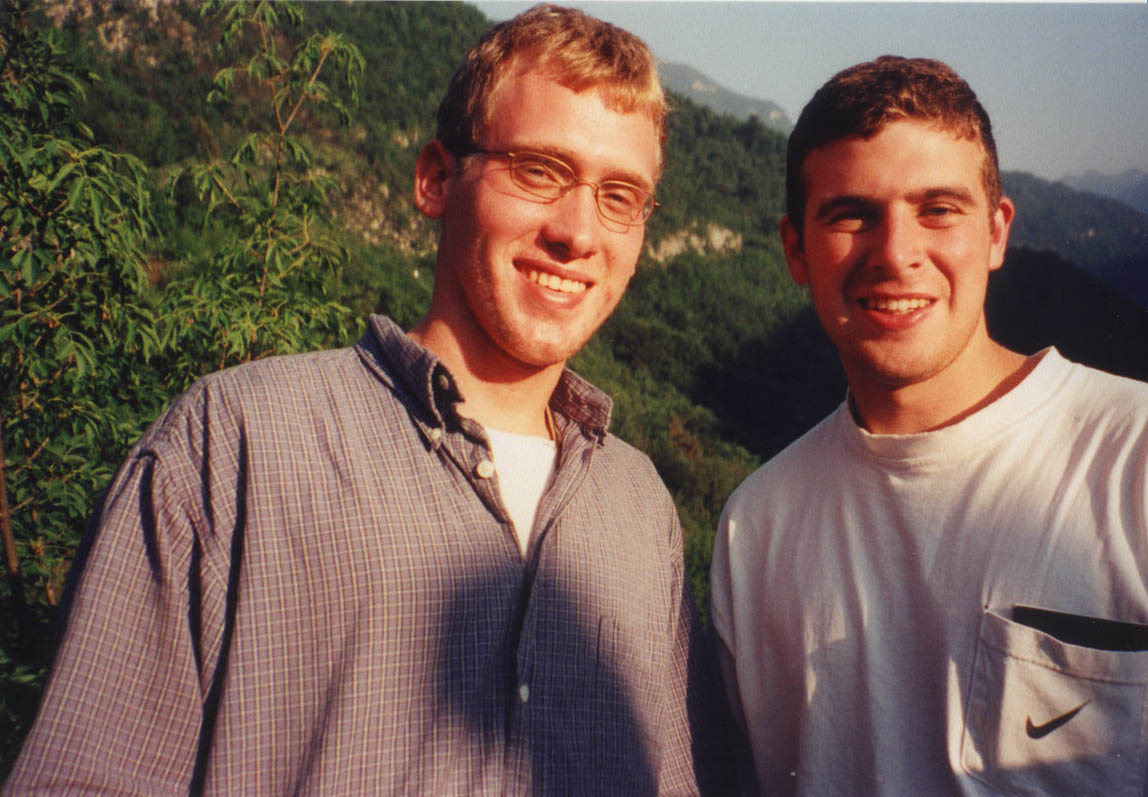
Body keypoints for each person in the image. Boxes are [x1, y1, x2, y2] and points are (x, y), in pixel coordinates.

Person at [7, 6, 730, 793]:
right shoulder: (235, 442)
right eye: (539, 171)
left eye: (620, 195)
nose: (578, 232)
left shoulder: (638, 508)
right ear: (434, 179)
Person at [710, 55, 1148, 795]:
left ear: (998, 231)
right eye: (852, 213)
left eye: (937, 209)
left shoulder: (1131, 458)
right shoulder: (757, 525)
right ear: (794, 249)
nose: (896, 252)